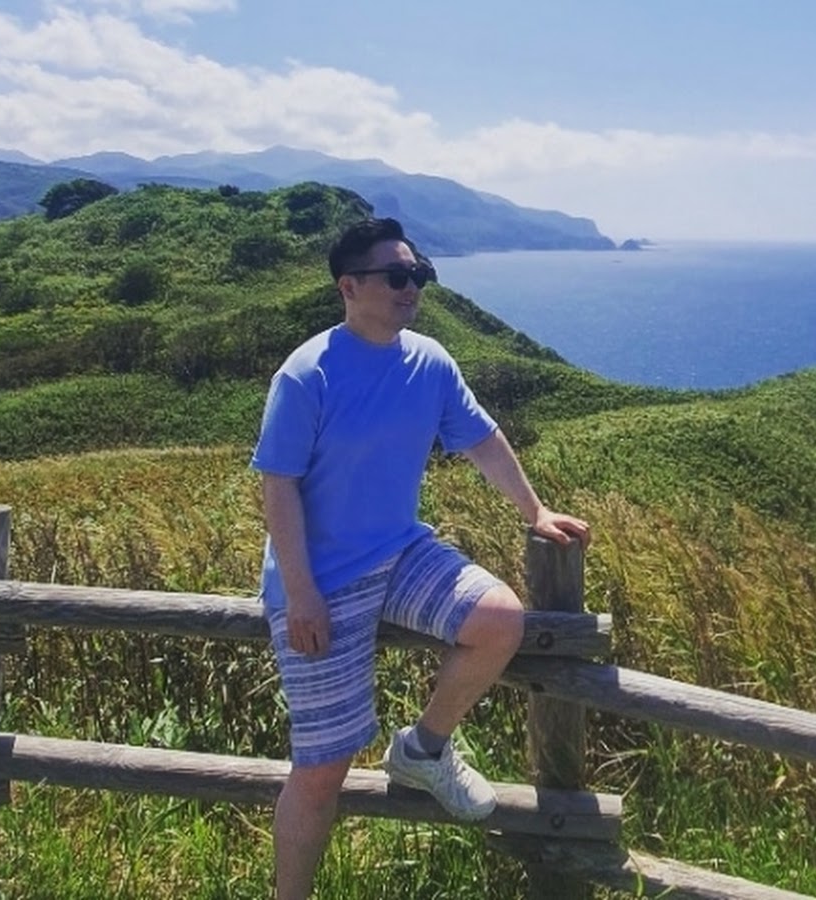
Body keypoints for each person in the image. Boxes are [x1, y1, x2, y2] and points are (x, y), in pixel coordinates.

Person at [252, 217, 590, 899]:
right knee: (323, 768)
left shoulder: (430, 361)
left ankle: (422, 750)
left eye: (419, 274)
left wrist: (535, 511)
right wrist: (302, 592)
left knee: (499, 619)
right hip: (323, 576)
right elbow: (277, 486)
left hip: (400, 550)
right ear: (349, 287)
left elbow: (481, 438)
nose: (412, 287)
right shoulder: (307, 374)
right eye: (397, 276)